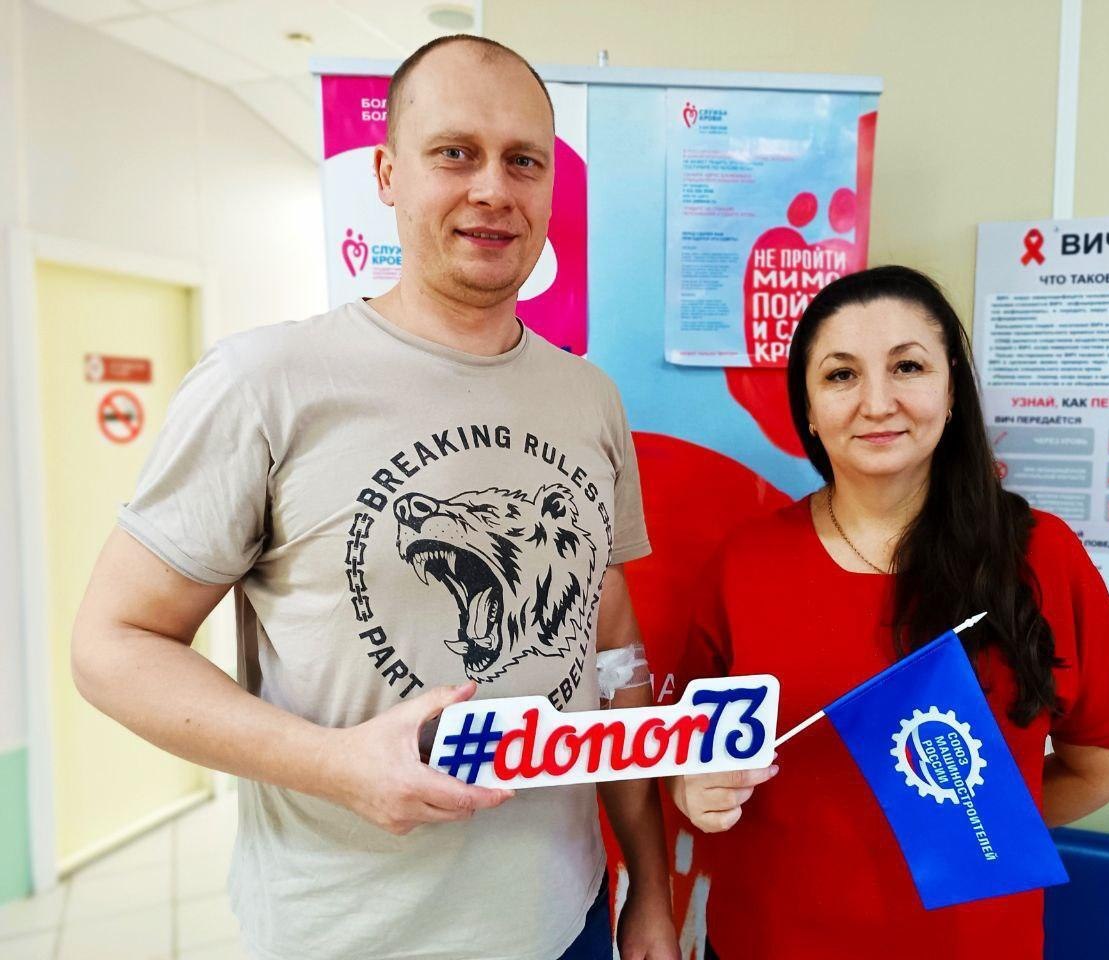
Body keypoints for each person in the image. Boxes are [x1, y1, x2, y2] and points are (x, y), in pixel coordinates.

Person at [71, 36, 679, 960]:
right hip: (348, 937)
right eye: (455, 153)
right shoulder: (264, 383)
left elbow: (611, 642)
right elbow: (111, 646)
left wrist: (650, 887)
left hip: (568, 920)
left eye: (524, 161)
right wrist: (336, 764)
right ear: (389, 174)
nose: (493, 188)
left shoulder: (588, 399)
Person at [668, 266, 1109, 959]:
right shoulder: (745, 563)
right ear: (808, 410)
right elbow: (689, 750)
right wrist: (691, 789)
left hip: (972, 943)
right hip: (770, 940)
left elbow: (1104, 763)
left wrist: (975, 832)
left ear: (951, 392)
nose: (877, 402)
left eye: (908, 367)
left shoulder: (1040, 557)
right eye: (841, 375)